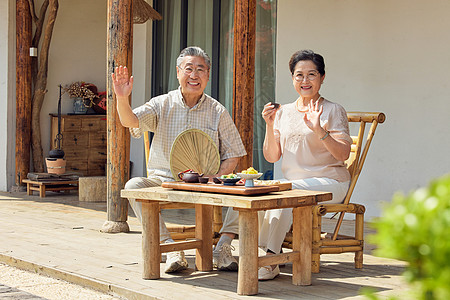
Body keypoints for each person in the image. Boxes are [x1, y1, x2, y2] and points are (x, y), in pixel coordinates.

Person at [215, 49, 352, 280]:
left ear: (322, 77)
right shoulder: (284, 112)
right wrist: (269, 124)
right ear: (292, 78)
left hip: (330, 183)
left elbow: (344, 154)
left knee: (284, 193)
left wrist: (319, 129)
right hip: (293, 183)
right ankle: (226, 244)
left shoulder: (332, 110)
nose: (305, 80)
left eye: (312, 74)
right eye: (299, 75)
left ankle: (269, 258)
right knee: (252, 190)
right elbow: (271, 156)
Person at [111, 46, 246, 274]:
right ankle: (170, 246)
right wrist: (122, 98)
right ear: (177, 72)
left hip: (206, 183)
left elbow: (234, 153)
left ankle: (222, 245)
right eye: (189, 69)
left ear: (208, 75)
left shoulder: (217, 110)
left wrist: (218, 177)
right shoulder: (162, 103)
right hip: (164, 179)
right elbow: (130, 121)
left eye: (200, 70)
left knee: (246, 186)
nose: (194, 75)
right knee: (133, 185)